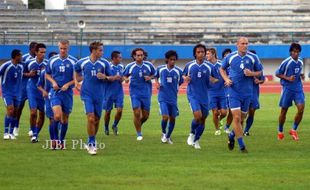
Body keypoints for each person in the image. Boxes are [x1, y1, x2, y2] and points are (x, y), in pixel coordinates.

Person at [75, 41, 120, 155]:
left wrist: (105, 76)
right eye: (100, 50)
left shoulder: (104, 63)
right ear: (93, 50)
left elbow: (112, 77)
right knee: (90, 118)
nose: (102, 52)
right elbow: (76, 72)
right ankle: (92, 143)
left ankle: (90, 141)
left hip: (100, 95)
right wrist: (77, 82)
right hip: (86, 94)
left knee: (96, 120)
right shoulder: (82, 62)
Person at [220, 37, 263, 153]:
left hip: (248, 92)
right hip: (233, 91)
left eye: (246, 43)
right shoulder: (230, 57)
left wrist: (251, 73)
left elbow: (260, 72)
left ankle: (232, 135)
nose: (245, 45)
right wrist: (226, 79)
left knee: (242, 119)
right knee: (237, 117)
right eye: (242, 43)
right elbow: (222, 69)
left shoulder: (253, 57)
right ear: (237, 45)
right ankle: (242, 146)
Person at [183, 44, 217, 149]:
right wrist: (186, 78)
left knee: (203, 119)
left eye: (203, 52)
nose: (201, 54)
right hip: (193, 94)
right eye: (198, 52)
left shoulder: (210, 66)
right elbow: (184, 75)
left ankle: (197, 140)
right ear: (195, 54)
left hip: (205, 96)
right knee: (197, 116)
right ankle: (192, 133)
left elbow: (216, 79)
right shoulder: (189, 65)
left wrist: (212, 80)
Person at [46, 40, 77, 149]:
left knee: (65, 119)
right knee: (57, 116)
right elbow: (47, 74)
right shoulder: (52, 60)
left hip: (67, 93)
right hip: (55, 92)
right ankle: (54, 140)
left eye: (65, 48)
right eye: (61, 48)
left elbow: (79, 77)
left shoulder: (74, 62)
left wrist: (68, 84)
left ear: (68, 48)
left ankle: (61, 141)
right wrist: (53, 82)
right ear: (58, 48)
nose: (63, 50)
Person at [123, 48, 156, 141]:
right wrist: (126, 79)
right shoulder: (130, 66)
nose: (140, 57)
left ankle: (138, 124)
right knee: (137, 112)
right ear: (134, 56)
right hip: (135, 93)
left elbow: (155, 74)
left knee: (145, 116)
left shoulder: (149, 65)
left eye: (141, 55)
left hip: (146, 93)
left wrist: (150, 77)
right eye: (138, 55)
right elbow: (124, 75)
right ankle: (139, 133)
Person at [275, 42, 305, 141]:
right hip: (287, 88)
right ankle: (280, 131)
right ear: (291, 52)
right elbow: (277, 73)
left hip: (298, 88)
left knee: (301, 109)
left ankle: (293, 130)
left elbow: (298, 71)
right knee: (284, 111)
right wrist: (287, 78)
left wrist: (301, 75)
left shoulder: (300, 61)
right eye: (294, 51)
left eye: (297, 52)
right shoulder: (286, 62)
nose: (296, 53)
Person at [155, 50, 183, 144]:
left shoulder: (178, 71)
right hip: (163, 97)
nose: (173, 62)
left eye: (174, 60)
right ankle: (163, 133)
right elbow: (156, 76)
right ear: (167, 59)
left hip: (173, 98)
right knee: (165, 117)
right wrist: (157, 83)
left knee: (173, 118)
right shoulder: (160, 69)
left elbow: (181, 81)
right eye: (171, 59)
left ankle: (168, 136)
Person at [26, 43, 47, 142]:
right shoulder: (29, 63)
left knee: (42, 114)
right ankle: (33, 131)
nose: (43, 54)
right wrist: (29, 74)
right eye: (41, 52)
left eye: (44, 52)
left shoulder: (47, 64)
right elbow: (22, 73)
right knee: (33, 112)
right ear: (36, 52)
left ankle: (36, 133)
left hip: (42, 91)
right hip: (32, 90)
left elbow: (51, 77)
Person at [16, 41, 37, 137]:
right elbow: (18, 71)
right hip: (23, 87)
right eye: (35, 48)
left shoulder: (40, 59)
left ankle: (31, 129)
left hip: (34, 87)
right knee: (19, 107)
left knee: (33, 109)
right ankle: (16, 127)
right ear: (31, 49)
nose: (37, 50)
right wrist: (28, 74)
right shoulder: (24, 58)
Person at [0, 49, 23, 140]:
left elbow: (21, 77)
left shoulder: (20, 67)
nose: (21, 57)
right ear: (16, 56)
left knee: (15, 113)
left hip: (17, 93)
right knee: (10, 110)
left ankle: (11, 133)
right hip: (7, 92)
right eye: (20, 56)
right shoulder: (6, 65)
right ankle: (6, 133)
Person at [37, 52, 58, 149]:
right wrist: (44, 91)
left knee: (60, 119)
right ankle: (53, 140)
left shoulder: (60, 72)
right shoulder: (43, 73)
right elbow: (38, 85)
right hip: (48, 98)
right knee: (52, 119)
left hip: (59, 97)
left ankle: (59, 139)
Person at [243, 50, 265, 136]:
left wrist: (258, 81)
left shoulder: (259, 68)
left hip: (254, 93)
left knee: (252, 111)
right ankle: (238, 129)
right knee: (243, 113)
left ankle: (246, 130)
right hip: (244, 92)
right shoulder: (244, 67)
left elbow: (262, 79)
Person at [206, 47, 227, 136]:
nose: (206, 55)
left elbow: (228, 73)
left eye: (208, 54)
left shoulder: (221, 64)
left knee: (224, 113)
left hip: (222, 91)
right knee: (215, 112)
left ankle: (219, 120)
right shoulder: (205, 65)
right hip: (211, 92)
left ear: (213, 54)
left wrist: (227, 80)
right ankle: (217, 129)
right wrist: (211, 78)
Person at [103, 51, 124, 136]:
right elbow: (103, 78)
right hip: (108, 92)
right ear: (114, 58)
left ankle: (114, 125)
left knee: (119, 110)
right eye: (119, 57)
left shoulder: (121, 66)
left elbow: (122, 77)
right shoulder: (107, 66)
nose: (121, 59)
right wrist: (112, 78)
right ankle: (106, 127)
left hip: (119, 92)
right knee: (108, 112)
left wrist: (123, 79)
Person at [221, 48, 233, 134]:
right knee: (222, 112)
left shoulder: (234, 65)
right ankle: (219, 120)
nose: (228, 56)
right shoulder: (221, 67)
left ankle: (227, 127)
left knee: (232, 111)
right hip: (222, 92)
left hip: (232, 91)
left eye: (229, 54)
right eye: (226, 55)